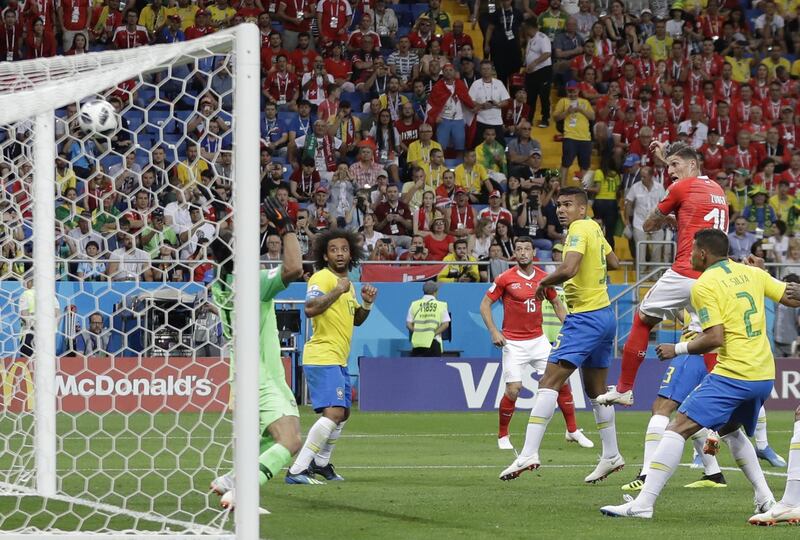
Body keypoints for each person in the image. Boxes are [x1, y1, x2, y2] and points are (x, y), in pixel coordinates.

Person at [600, 229, 800, 519]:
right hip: (764, 373)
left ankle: (643, 504)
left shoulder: (703, 286)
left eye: (692, 250)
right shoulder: (752, 273)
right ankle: (765, 497)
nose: (689, 255)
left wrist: (676, 349)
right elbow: (792, 298)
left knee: (677, 427)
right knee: (731, 429)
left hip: (734, 372)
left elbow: (714, 338)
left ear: (703, 253)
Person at [499, 187, 622, 483]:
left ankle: (529, 452)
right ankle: (611, 455)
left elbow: (569, 268)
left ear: (583, 208)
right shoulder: (594, 227)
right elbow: (615, 263)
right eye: (558, 205)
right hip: (606, 314)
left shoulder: (580, 228)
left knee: (548, 382)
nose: (561, 210)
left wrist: (543, 283)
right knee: (596, 392)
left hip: (585, 317)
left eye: (568, 204)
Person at [598, 142, 728, 407]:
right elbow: (694, 210)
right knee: (708, 339)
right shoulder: (717, 189)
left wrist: (664, 218)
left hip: (685, 272)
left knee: (643, 319)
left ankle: (624, 389)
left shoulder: (680, 187)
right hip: (715, 278)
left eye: (675, 166)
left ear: (692, 165)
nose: (670, 171)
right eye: (668, 166)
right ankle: (720, 401)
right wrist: (666, 162)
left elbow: (647, 225)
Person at [209, 198, 305, 509]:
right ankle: (245, 492)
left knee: (266, 439)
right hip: (263, 377)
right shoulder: (252, 282)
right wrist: (287, 229)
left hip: (240, 377)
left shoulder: (220, 287)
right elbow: (294, 268)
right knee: (290, 441)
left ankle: (232, 479)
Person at [480, 236, 593, 451]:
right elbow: (485, 305)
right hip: (513, 343)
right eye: (519, 249)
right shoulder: (505, 278)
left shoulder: (544, 278)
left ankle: (572, 430)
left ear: (534, 253)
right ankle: (503, 434)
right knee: (514, 389)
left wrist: (570, 329)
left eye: (527, 249)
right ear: (515, 253)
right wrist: (494, 331)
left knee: (562, 382)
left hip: (539, 341)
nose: (523, 252)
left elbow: (557, 304)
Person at [286, 230, 377, 483]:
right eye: (334, 249)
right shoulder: (323, 278)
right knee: (334, 413)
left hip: (337, 357)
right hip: (321, 355)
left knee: (343, 413)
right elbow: (310, 308)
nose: (340, 253)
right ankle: (298, 469)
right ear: (325, 255)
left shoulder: (347, 284)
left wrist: (367, 304)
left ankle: (321, 463)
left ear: (351, 254)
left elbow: (356, 319)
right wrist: (337, 290)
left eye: (344, 249)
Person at [553, 80, 594, 184]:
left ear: (578, 90)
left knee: (585, 165)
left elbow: (592, 117)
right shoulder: (563, 101)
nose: (572, 93)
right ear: (566, 91)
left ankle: (583, 190)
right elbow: (556, 117)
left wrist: (581, 110)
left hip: (585, 138)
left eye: (574, 91)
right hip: (570, 136)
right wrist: (567, 112)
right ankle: (561, 187)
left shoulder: (585, 102)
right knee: (565, 163)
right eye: (570, 91)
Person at [406, 281, 450, 357]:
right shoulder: (441, 305)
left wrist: (417, 332)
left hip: (418, 343)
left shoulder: (414, 304)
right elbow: (446, 324)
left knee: (417, 368)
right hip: (434, 342)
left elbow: (408, 324)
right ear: (435, 292)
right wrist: (433, 334)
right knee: (434, 368)